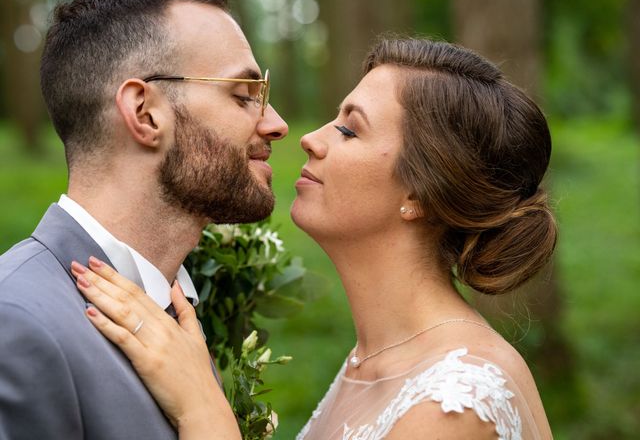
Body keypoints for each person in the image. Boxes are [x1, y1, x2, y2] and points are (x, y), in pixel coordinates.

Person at [70, 37, 557, 439]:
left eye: (349, 129)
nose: (308, 137)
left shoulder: (454, 402)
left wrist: (204, 412)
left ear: (422, 191)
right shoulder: (370, 359)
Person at [0, 0, 288, 440]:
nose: (276, 125)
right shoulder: (15, 324)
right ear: (144, 113)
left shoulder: (179, 311)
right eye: (243, 94)